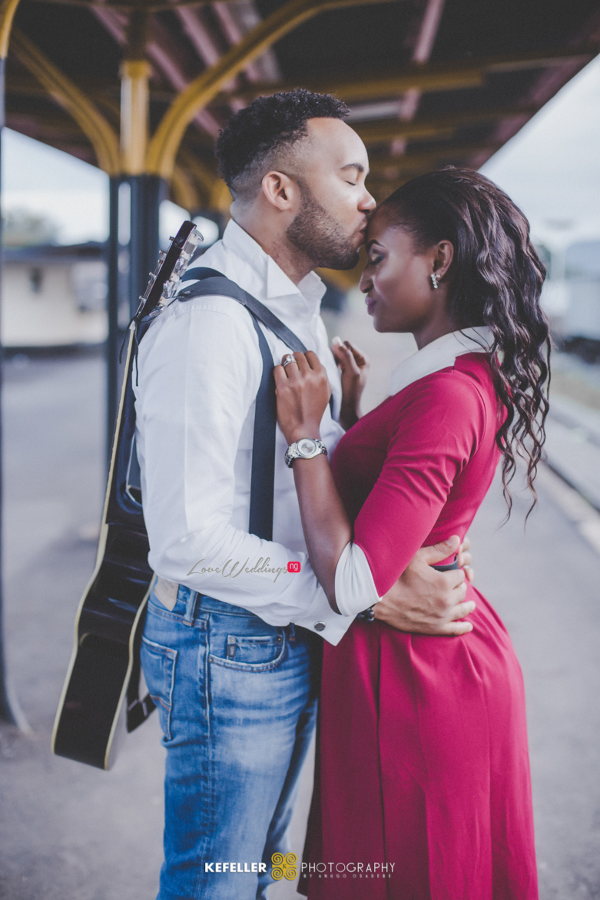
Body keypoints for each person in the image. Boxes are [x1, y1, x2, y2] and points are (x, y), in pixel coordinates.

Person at [134, 91, 474, 900]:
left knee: (265, 864)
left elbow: (291, 471)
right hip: (228, 643)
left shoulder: (298, 313)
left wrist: (348, 426)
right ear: (281, 190)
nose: (368, 200)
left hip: (277, 633)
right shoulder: (209, 325)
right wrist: (360, 597)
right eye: (351, 176)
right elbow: (186, 540)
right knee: (215, 877)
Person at [274, 168, 549, 899]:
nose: (364, 279)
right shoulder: (455, 380)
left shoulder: (445, 396)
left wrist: (306, 437)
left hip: (419, 680)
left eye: (377, 258)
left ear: (439, 260)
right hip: (418, 666)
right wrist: (361, 424)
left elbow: (355, 582)